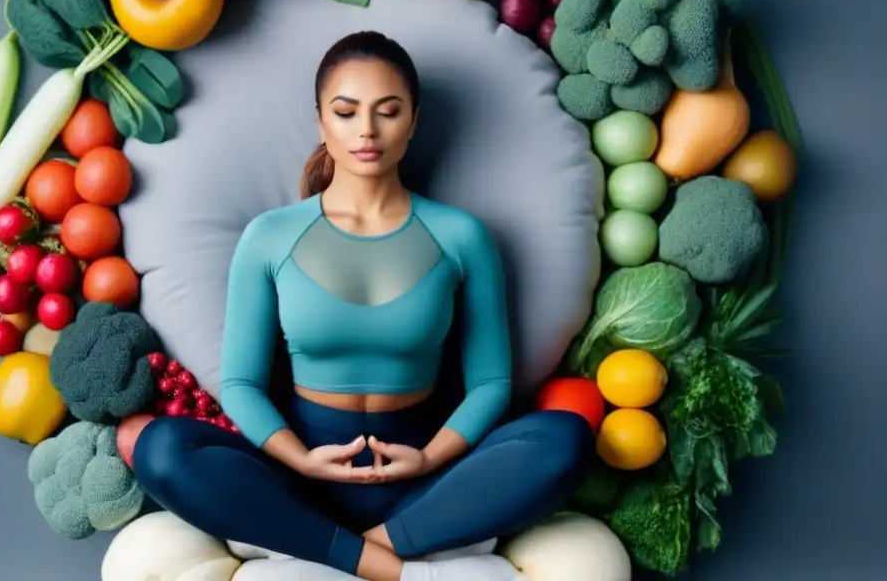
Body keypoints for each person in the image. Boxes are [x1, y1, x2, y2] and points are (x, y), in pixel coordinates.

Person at [132, 31, 594, 581]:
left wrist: (428, 459)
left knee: (564, 437)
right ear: (321, 121)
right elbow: (241, 386)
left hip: (424, 478)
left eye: (388, 112)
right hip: (302, 477)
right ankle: (393, 568)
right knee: (161, 448)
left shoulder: (461, 237)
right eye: (346, 113)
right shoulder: (270, 237)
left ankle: (337, 550)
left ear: (414, 121)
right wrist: (301, 460)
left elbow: (490, 384)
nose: (367, 131)